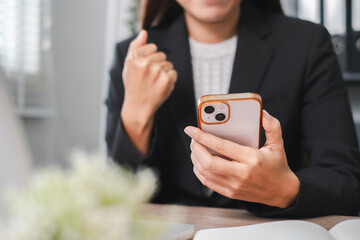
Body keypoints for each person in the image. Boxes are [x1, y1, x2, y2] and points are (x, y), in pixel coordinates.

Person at [106, 0, 360, 217]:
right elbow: (113, 193)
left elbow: (346, 181)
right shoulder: (135, 58)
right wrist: (137, 112)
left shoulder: (306, 44)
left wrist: (285, 189)